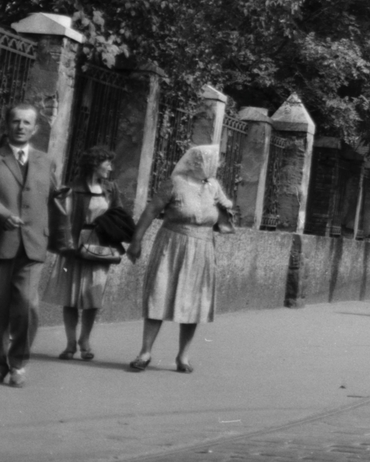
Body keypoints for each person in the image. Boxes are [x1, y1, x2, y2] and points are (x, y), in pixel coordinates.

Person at [126, 144, 233, 373]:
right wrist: (136, 240)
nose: (217, 165)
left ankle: (183, 357)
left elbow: (226, 220)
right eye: (213, 161)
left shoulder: (214, 186)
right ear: (197, 163)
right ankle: (145, 352)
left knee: (193, 302)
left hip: (202, 248)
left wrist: (227, 210)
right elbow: (151, 211)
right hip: (172, 245)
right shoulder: (174, 183)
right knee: (159, 294)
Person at [47, 144, 129, 361]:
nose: (110, 167)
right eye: (107, 163)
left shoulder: (111, 189)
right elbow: (62, 218)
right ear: (95, 164)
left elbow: (120, 216)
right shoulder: (73, 188)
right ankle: (70, 343)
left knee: (93, 297)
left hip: (100, 248)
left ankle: (85, 340)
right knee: (71, 299)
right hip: (76, 247)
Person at [0, 104, 59, 388]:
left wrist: (63, 241)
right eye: (15, 121)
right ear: (7, 124)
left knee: (26, 306)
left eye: (27, 123)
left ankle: (19, 363)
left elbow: (55, 202)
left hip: (33, 244)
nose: (21, 126)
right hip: (1, 242)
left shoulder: (45, 161)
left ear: (35, 129)